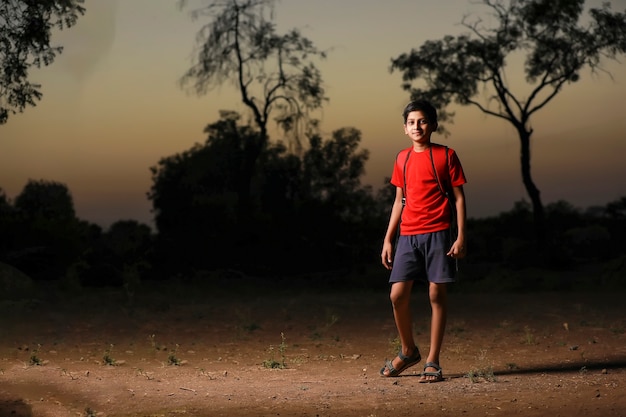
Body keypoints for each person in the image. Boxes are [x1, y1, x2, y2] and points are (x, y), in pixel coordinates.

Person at [379, 99, 467, 382]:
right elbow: (398, 202)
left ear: (433, 125)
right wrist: (388, 238)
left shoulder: (447, 155)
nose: (417, 126)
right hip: (408, 235)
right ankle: (408, 351)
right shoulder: (401, 158)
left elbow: (458, 198)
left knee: (435, 295)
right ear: (405, 128)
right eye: (411, 122)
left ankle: (433, 360)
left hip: (439, 232)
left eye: (423, 121)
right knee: (397, 295)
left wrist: (461, 236)